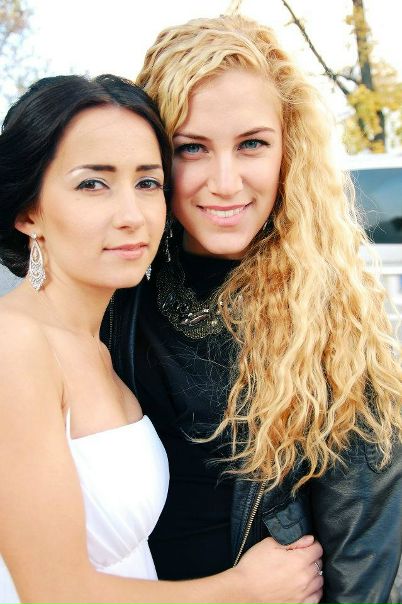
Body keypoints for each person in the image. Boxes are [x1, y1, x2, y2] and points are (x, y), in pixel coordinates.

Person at [103, 14, 402, 604]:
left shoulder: (330, 317)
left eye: (252, 145)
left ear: (289, 150)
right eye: (192, 148)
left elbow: (364, 549)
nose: (225, 182)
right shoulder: (114, 293)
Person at [0, 74, 323, 604]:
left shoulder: (99, 345)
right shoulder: (15, 344)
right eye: (93, 184)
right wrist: (242, 590)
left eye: (148, 183)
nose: (132, 216)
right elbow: (54, 592)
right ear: (28, 211)